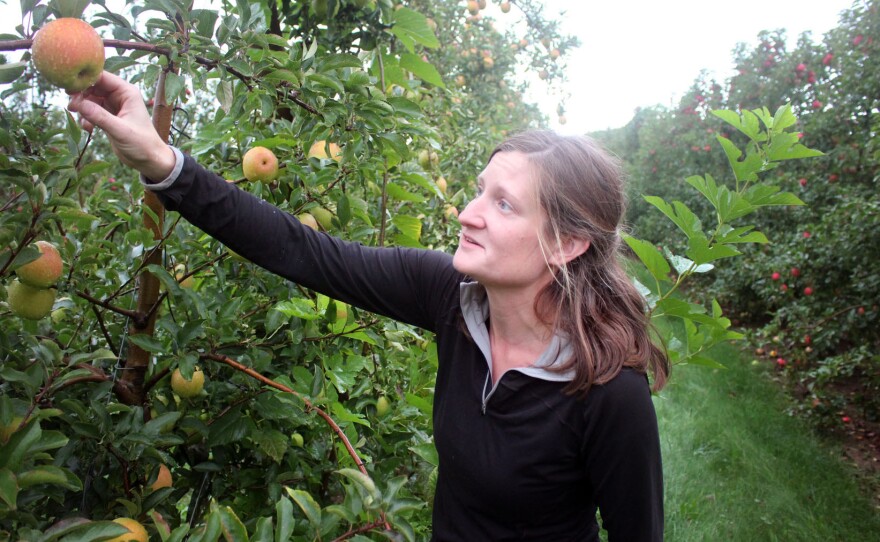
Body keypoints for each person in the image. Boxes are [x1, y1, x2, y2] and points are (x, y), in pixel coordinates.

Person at [69, 71, 669, 541]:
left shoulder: (607, 392)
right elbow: (303, 250)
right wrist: (161, 163)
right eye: (478, 190)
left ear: (566, 244)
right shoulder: (454, 299)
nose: (468, 213)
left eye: (504, 204)